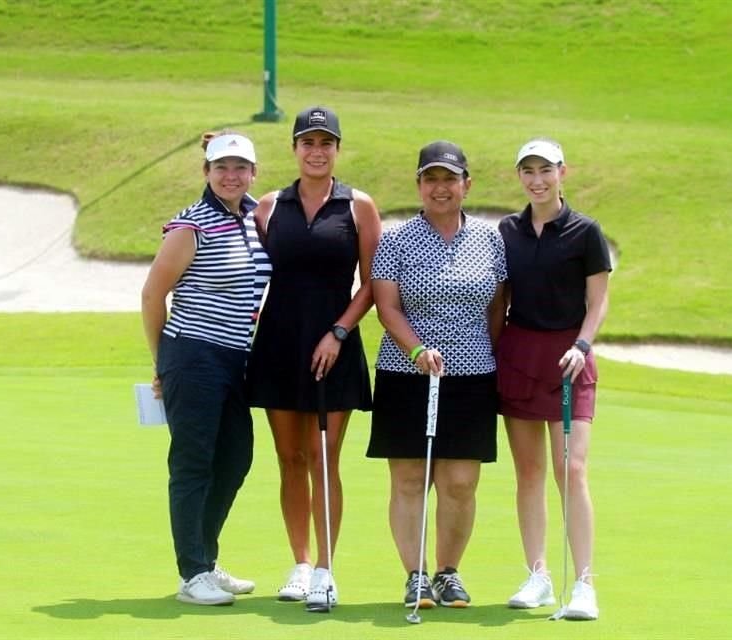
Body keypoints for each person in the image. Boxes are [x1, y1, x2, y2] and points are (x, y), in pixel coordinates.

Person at [245, 106, 382, 608]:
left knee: (324, 460)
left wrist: (339, 332)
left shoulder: (357, 207)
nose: (317, 151)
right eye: (308, 142)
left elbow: (372, 285)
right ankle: (300, 564)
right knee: (289, 458)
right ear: (295, 148)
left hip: (334, 344)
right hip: (279, 342)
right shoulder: (267, 207)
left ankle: (326, 569)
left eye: (326, 143)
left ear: (337, 149)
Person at [367, 141, 507, 609]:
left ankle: (448, 573)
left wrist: (481, 355)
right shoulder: (397, 239)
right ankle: (416, 575)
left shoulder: (490, 240)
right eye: (431, 179)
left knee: (461, 482)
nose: (440, 188)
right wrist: (418, 350)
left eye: (450, 179)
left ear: (467, 184)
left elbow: (497, 308)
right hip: (406, 375)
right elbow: (387, 308)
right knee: (409, 479)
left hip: (471, 378)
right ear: (419, 185)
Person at [141, 131, 272, 606]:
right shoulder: (189, 227)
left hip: (235, 357)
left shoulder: (255, 217)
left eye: (240, 167)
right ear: (206, 173)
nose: (231, 175)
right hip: (192, 354)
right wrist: (163, 364)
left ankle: (207, 558)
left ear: (253, 173)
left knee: (235, 458)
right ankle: (192, 572)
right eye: (221, 167)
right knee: (194, 462)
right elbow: (154, 295)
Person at [497, 138, 611, 620]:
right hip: (519, 352)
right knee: (529, 473)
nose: (537, 179)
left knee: (573, 469)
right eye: (528, 171)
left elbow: (599, 301)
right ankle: (538, 575)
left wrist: (582, 346)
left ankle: (584, 583)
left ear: (563, 172)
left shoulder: (585, 232)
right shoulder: (507, 230)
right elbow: (497, 299)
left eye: (545, 170)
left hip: (569, 356)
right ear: (520, 175)